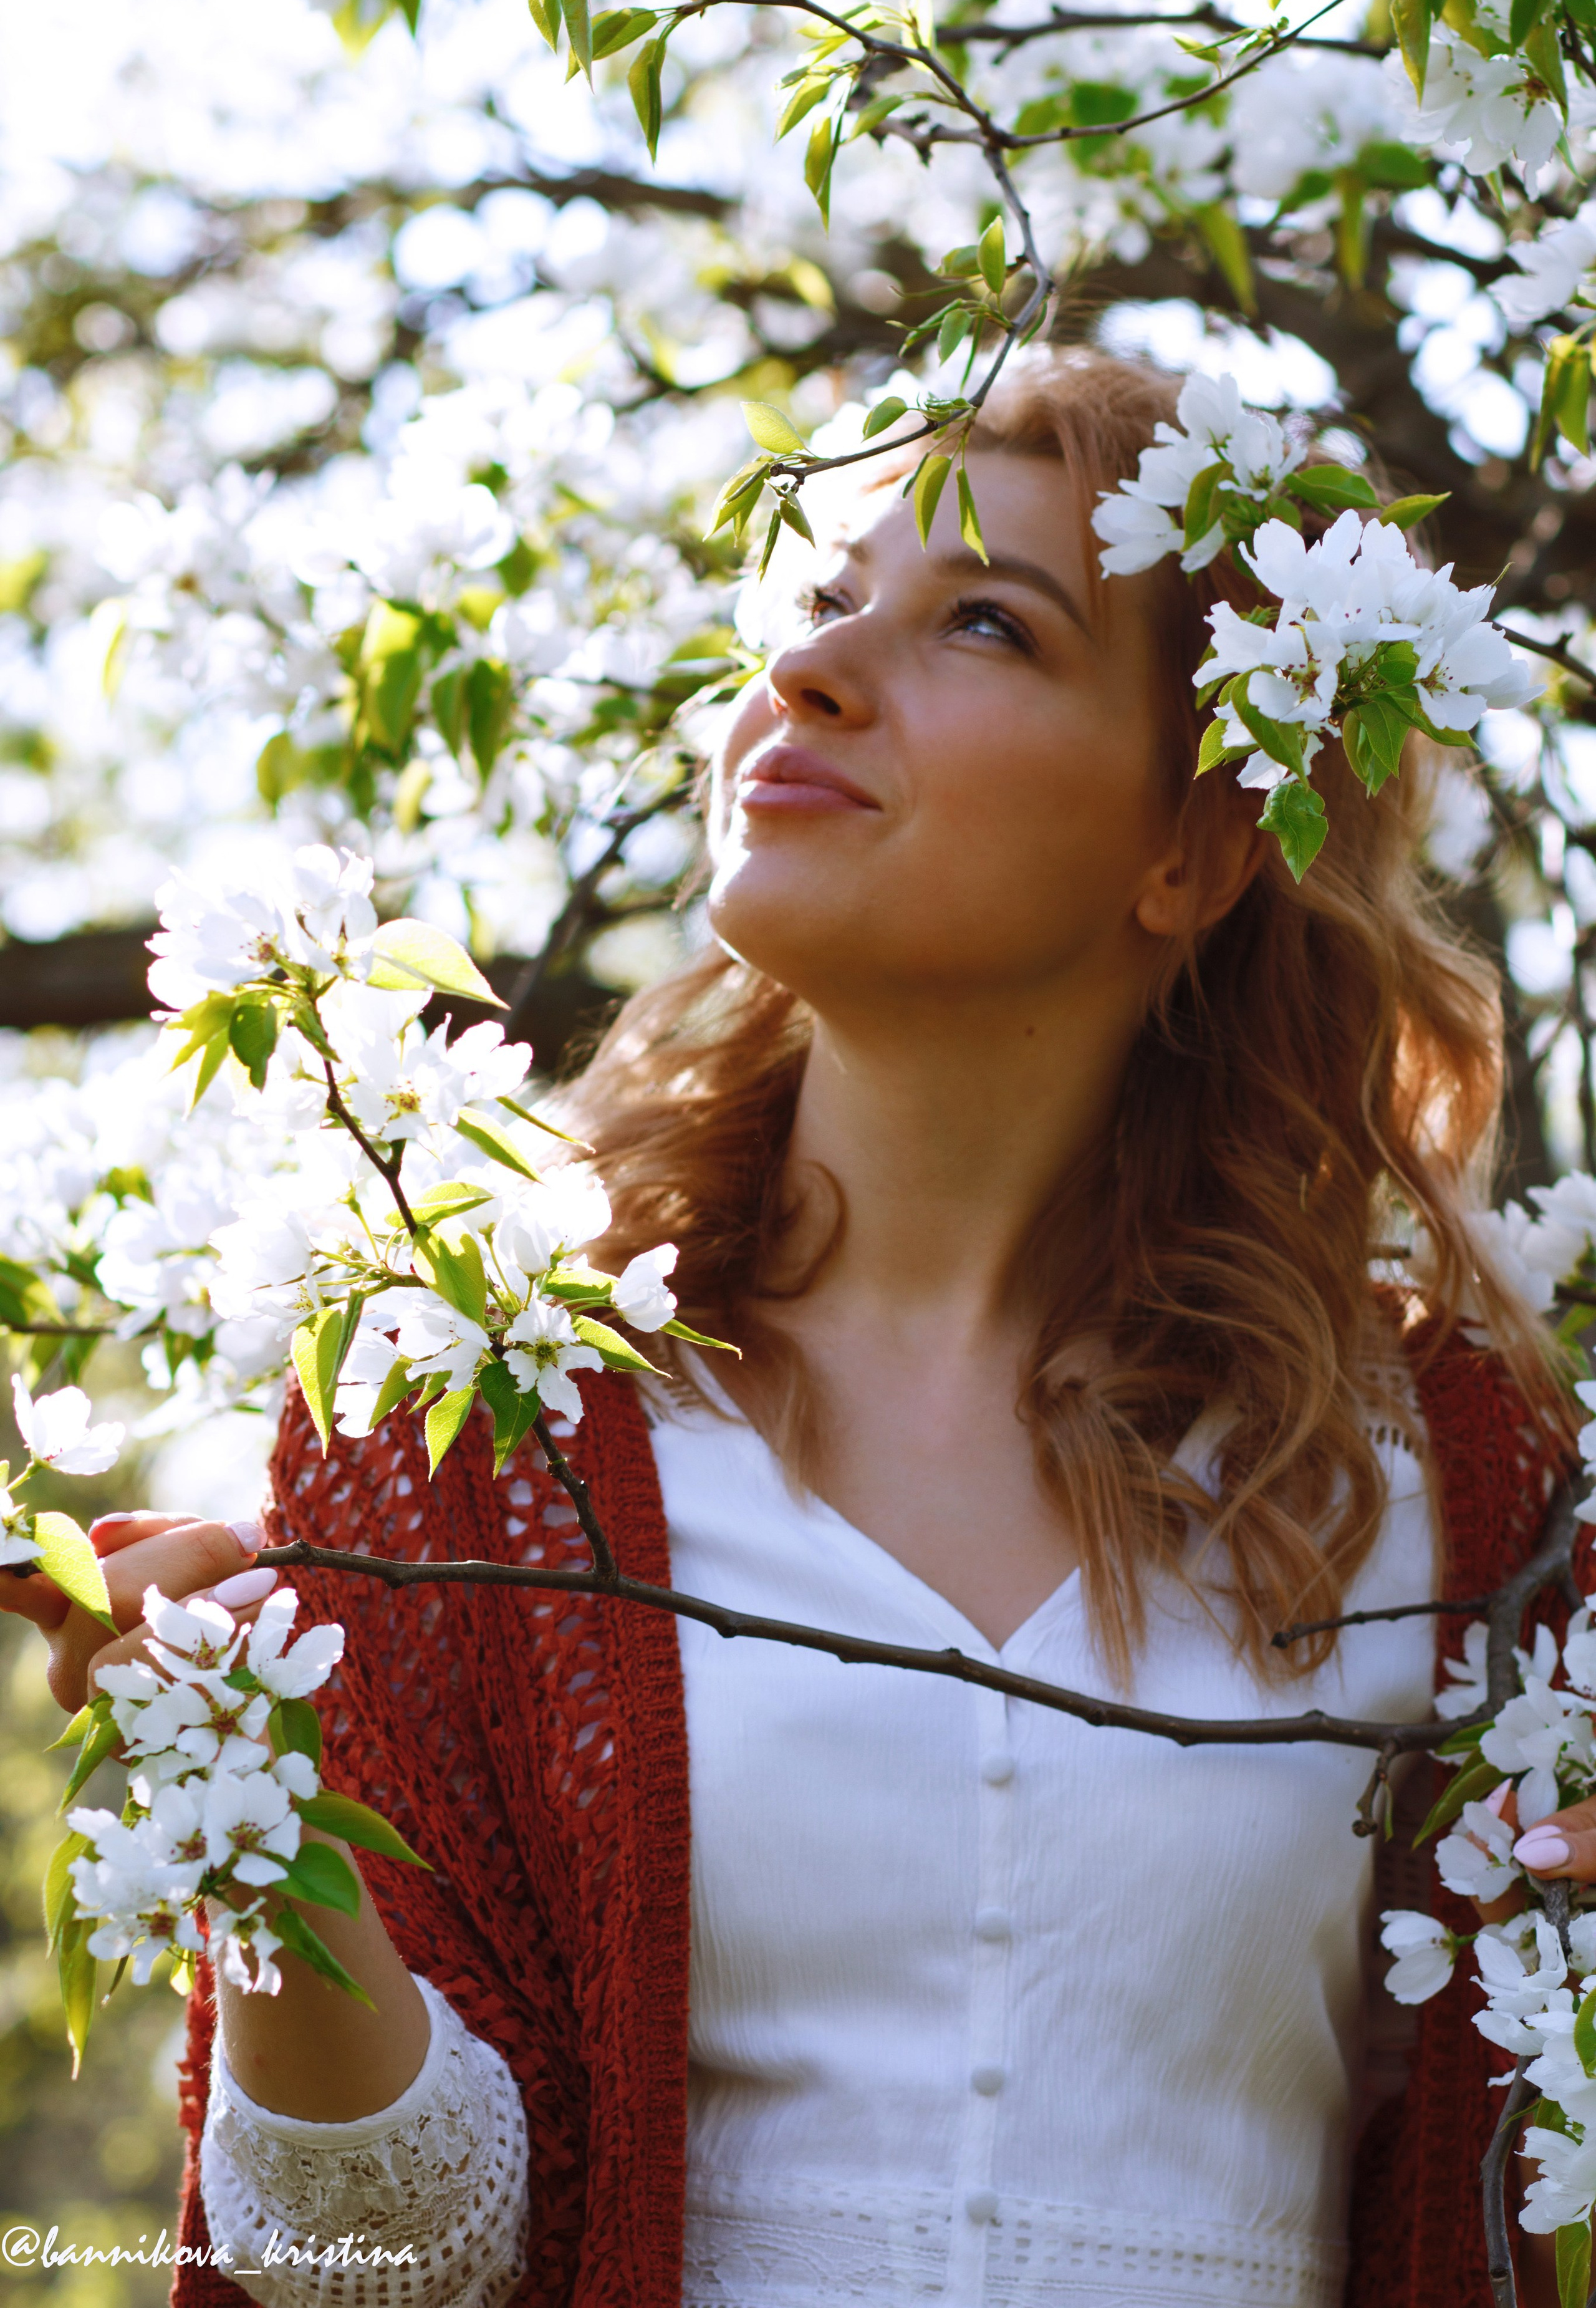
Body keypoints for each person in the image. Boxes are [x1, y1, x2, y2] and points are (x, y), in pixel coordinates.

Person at [3, 349, 1584, 2308]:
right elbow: (378, 2268)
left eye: (985, 622)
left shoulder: (1463, 1471)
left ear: (1194, 845)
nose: (817, 673)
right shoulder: (473, 1414)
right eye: (824, 602)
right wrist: (256, 1829)